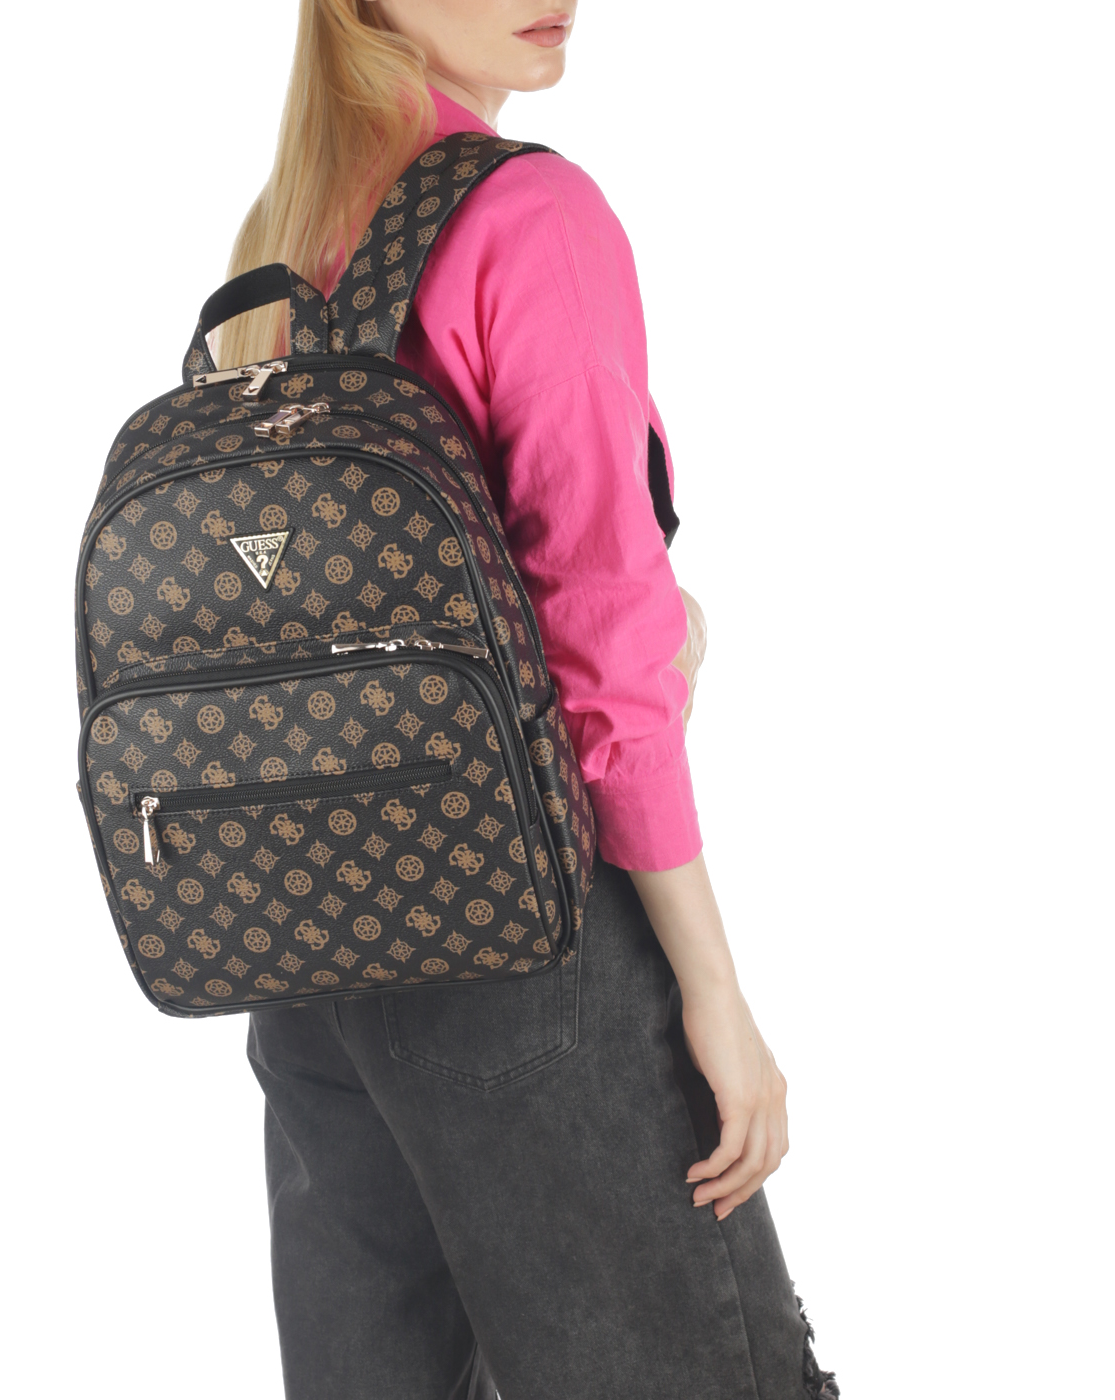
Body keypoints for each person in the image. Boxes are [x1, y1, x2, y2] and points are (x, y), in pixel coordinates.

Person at [228, 4, 838, 1396]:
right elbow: (600, 647)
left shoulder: (288, 234)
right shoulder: (530, 217)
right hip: (523, 941)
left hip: (309, 960)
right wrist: (716, 997)